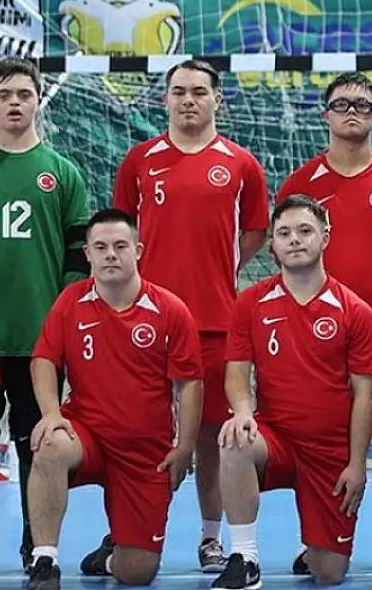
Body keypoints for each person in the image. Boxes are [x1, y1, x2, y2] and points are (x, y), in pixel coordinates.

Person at [111, 59, 269, 572]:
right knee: (138, 431)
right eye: (178, 91)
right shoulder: (140, 160)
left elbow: (254, 233)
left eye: (199, 91)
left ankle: (210, 537)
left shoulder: (242, 165)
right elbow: (121, 236)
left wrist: (221, 269)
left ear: (217, 99)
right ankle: (124, 534)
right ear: (165, 99)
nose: (188, 100)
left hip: (215, 321)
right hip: (145, 322)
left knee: (210, 436)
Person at [275, 72, 372, 573]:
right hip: (318, 344)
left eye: (362, 105)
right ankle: (320, 538)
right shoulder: (300, 184)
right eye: (341, 103)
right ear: (325, 114)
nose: (351, 111)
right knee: (323, 441)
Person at [0, 57, 90, 574]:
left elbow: (78, 256)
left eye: (24, 94)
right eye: (4, 95)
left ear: (37, 100)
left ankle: (36, 545)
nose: (14, 103)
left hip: (38, 341)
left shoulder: (62, 173)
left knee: (37, 443)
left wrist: (61, 319)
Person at [23, 208, 204, 590]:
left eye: (120, 246)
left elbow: (190, 384)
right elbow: (44, 359)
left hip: (144, 451)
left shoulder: (170, 309)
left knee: (138, 572)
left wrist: (185, 446)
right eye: (101, 247)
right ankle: (45, 559)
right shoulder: (70, 302)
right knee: (50, 444)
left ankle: (108, 556)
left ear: (138, 250)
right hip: (86, 436)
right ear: (87, 254)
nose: (110, 255)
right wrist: (51, 413)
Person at [211, 195, 372, 589]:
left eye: (305, 231)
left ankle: (316, 548)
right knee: (235, 439)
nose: (294, 240)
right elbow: (236, 373)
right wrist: (242, 413)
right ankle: (244, 558)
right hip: (275, 440)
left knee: (329, 573)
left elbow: (365, 395)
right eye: (284, 233)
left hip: (329, 452)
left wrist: (357, 464)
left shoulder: (355, 310)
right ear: (272, 245)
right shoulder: (250, 303)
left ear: (325, 237)